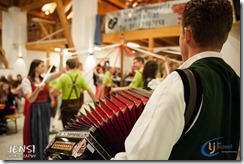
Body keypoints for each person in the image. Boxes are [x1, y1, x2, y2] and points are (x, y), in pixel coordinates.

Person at [112, 0, 239, 160]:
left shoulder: (180, 83)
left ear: (187, 34)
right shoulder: (237, 82)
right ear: (225, 37)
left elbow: (140, 158)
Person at [22, 54, 64, 160]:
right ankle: (37, 158)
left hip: (45, 108)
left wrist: (61, 57)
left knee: (45, 133)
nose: (44, 68)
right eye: (42, 66)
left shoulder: (44, 78)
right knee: (36, 134)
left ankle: (43, 156)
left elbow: (60, 72)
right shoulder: (26, 81)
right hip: (35, 110)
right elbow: (30, 99)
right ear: (36, 67)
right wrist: (37, 89)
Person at [52, 58, 98, 129]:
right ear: (75, 66)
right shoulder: (80, 77)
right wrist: (97, 103)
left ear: (67, 66)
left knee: (66, 127)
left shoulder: (64, 77)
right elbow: (90, 91)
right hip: (76, 105)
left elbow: (54, 91)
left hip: (66, 105)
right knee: (73, 125)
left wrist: (56, 93)